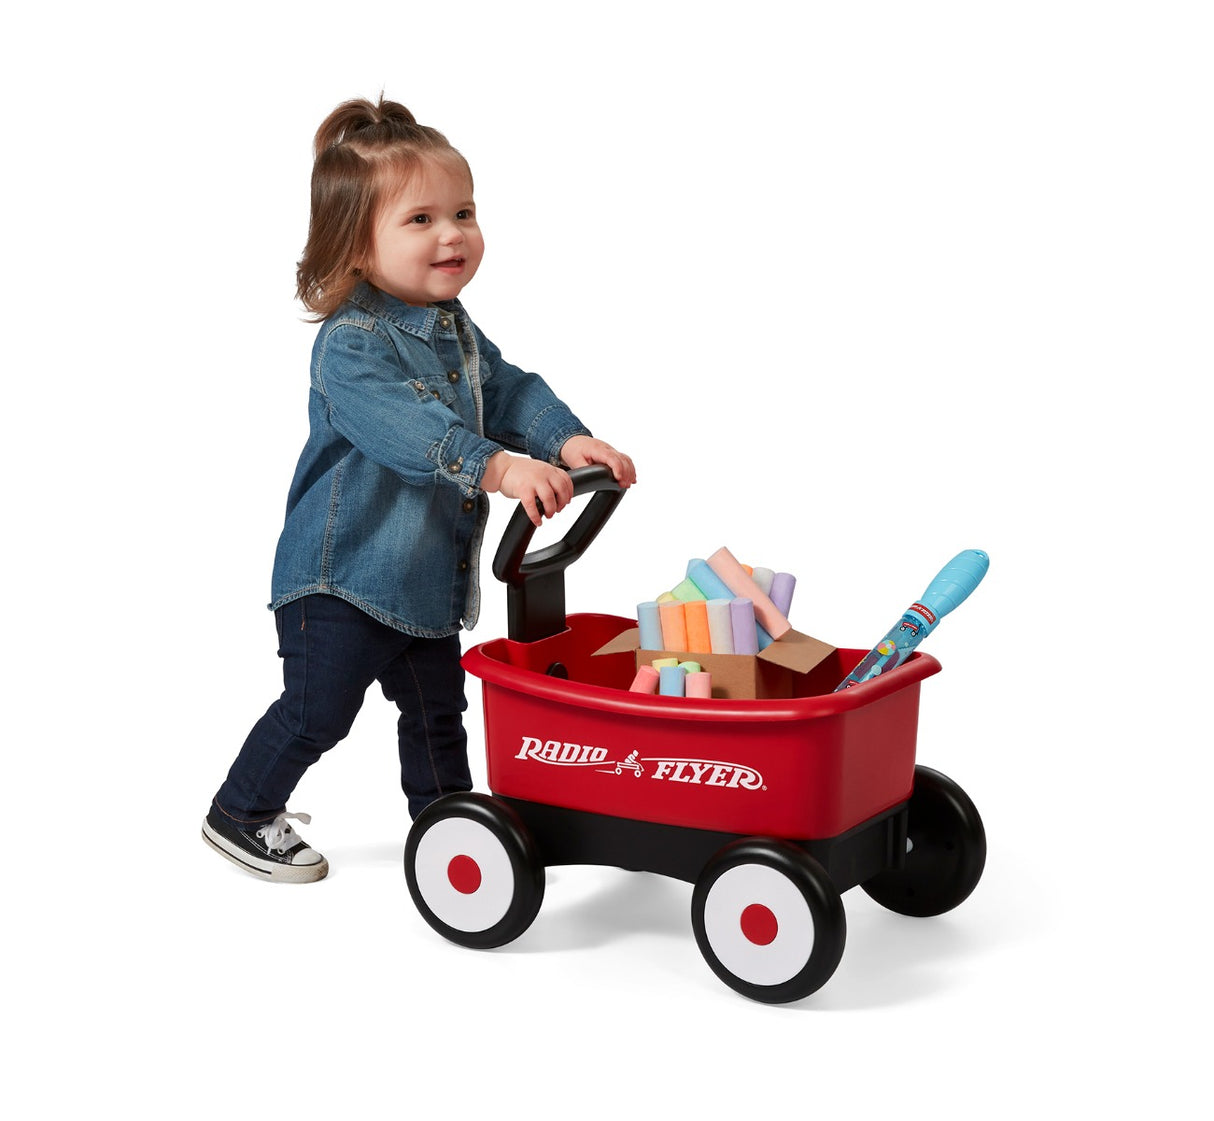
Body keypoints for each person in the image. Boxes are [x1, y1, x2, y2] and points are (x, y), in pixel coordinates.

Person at [202, 96, 636, 883]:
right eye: (421, 219)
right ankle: (240, 810)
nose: (452, 234)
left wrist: (566, 440)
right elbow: (410, 431)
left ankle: (449, 826)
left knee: (439, 712)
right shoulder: (352, 347)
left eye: (464, 211)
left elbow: (507, 392)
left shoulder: (453, 326)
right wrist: (498, 468)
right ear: (356, 248)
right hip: (342, 580)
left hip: (421, 584)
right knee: (316, 712)